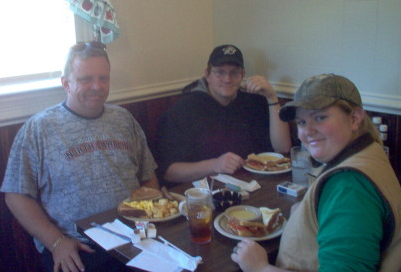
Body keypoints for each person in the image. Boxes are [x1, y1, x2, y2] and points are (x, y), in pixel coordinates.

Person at [0, 41, 159, 272]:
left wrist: (147, 224)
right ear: (66, 83)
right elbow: (15, 196)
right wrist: (56, 242)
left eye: (103, 78)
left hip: (134, 238)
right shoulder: (38, 128)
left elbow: (148, 177)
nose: (97, 86)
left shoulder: (124, 120)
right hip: (78, 249)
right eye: (86, 79)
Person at [231, 74, 401, 272]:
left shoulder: (349, 186)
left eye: (320, 117)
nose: (307, 131)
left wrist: (259, 267)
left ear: (354, 119)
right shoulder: (370, 153)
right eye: (301, 122)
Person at [156, 44, 291, 184]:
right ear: (208, 75)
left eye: (234, 72)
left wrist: (272, 97)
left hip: (256, 186)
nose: (227, 79)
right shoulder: (182, 110)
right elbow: (169, 173)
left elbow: (283, 149)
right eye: (219, 72)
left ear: (242, 75)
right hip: (204, 193)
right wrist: (214, 165)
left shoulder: (254, 102)